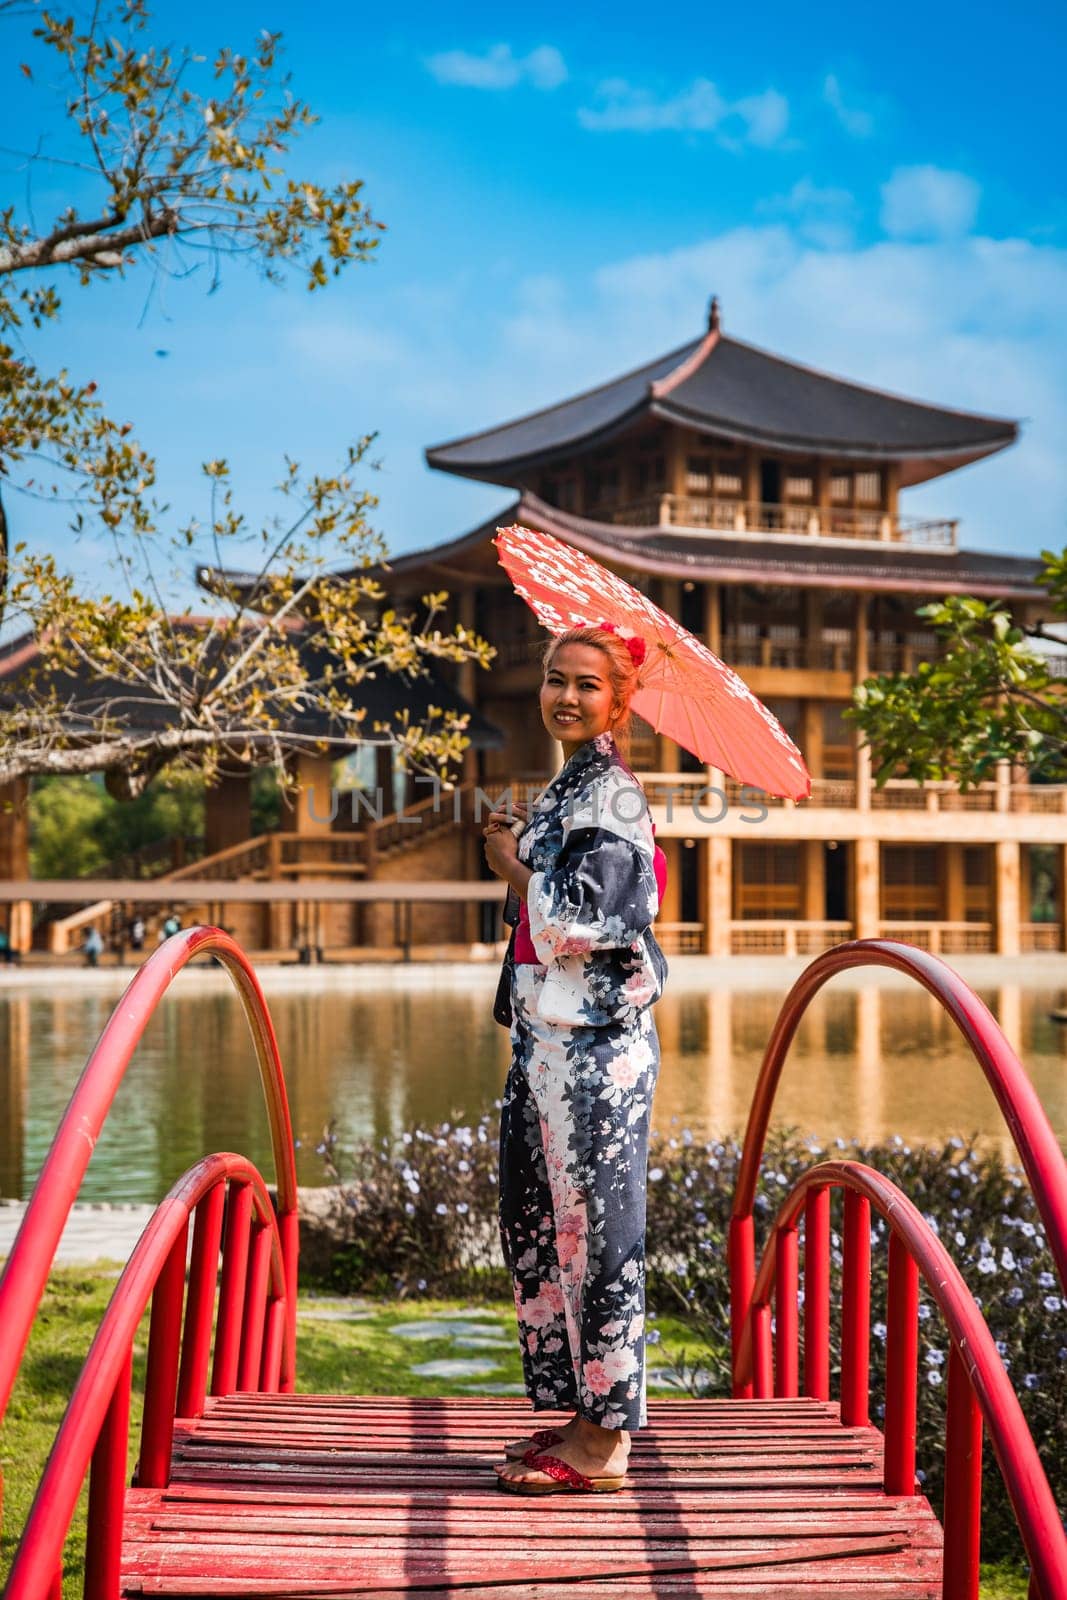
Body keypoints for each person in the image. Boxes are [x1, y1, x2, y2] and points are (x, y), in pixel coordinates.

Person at [482, 623, 668, 1496]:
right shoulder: (570, 787)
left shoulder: (616, 797)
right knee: (546, 1223)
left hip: (597, 1053)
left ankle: (605, 1443)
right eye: (554, 679)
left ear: (619, 700)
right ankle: (580, 1413)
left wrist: (517, 872)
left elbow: (596, 921)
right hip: (550, 1043)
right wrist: (522, 848)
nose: (565, 696)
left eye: (587, 685)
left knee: (598, 1234)